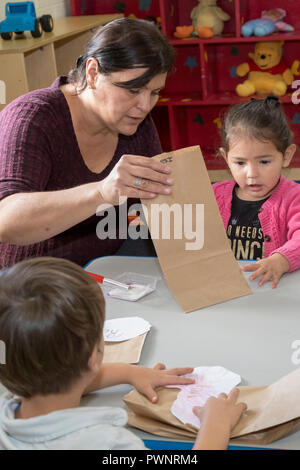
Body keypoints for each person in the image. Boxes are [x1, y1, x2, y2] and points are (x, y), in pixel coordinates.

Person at [0, 257, 246, 450]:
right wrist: (215, 429)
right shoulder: (110, 444)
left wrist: (130, 373)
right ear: (95, 355)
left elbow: (51, 375)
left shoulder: (9, 400)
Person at [0, 17, 175, 269]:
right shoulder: (33, 118)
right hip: (31, 283)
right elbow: (6, 220)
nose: (145, 106)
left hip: (106, 268)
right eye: (133, 90)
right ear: (93, 73)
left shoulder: (135, 120)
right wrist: (102, 192)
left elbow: (154, 207)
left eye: (155, 92)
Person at [213, 95, 300, 288]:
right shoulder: (214, 195)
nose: (252, 174)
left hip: (274, 288)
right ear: (226, 158)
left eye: (264, 162)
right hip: (226, 289)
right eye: (240, 163)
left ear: (286, 156)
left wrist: (281, 259)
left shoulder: (294, 197)